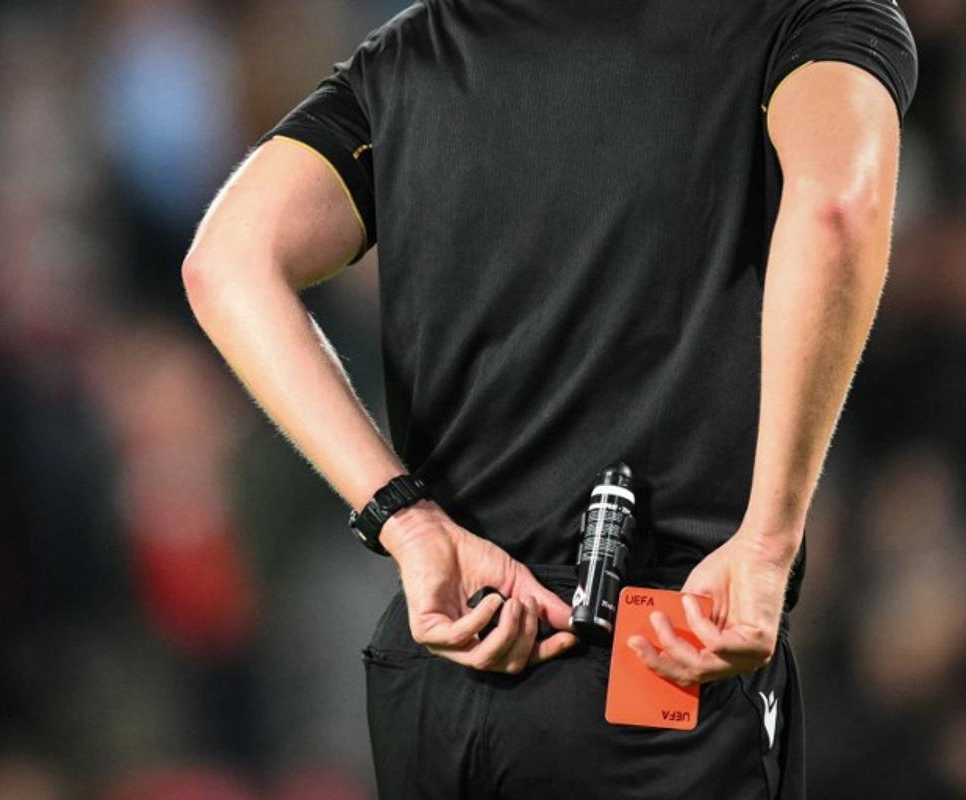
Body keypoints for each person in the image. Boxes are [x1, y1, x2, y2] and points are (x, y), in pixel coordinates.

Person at [182, 0, 917, 796]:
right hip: (663, 657)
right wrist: (769, 540)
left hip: (446, 665)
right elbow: (839, 204)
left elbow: (227, 260)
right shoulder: (801, 20)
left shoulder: (414, 48)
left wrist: (403, 517)